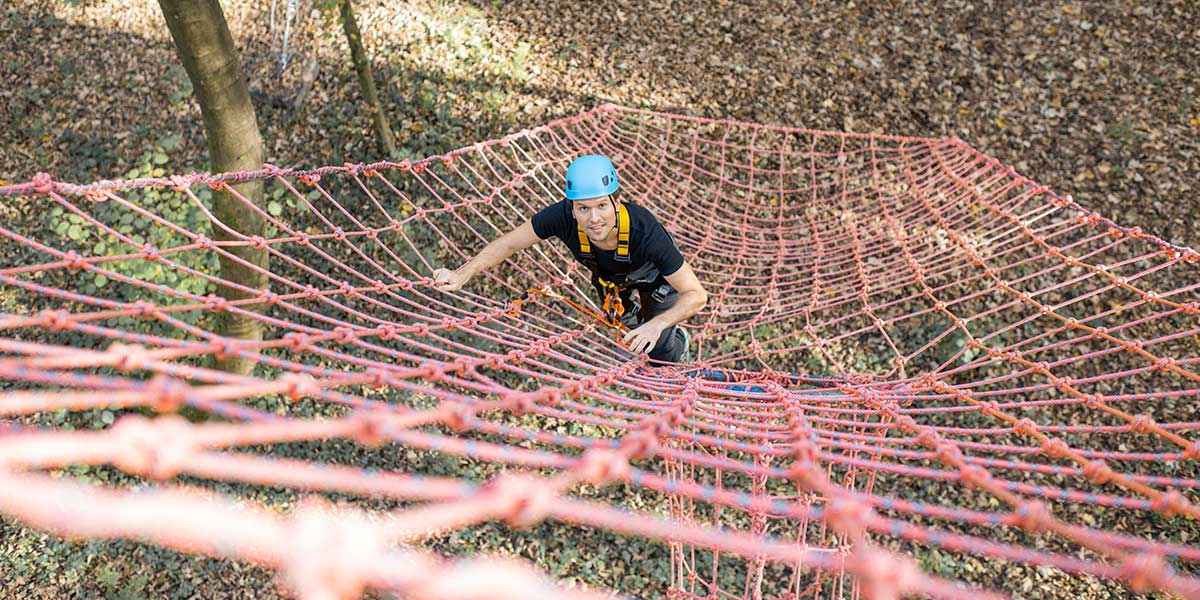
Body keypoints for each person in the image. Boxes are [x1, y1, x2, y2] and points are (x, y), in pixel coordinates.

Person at [432, 154, 708, 363]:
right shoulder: (562, 217)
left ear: (617, 202)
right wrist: (462, 274)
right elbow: (507, 244)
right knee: (627, 325)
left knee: (658, 348)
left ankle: (676, 347)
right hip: (610, 279)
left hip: (657, 279)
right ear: (572, 208)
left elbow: (696, 295)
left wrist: (657, 325)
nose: (594, 218)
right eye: (583, 208)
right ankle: (641, 322)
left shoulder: (646, 232)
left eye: (602, 205)